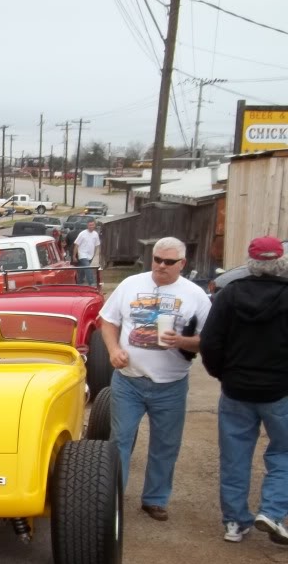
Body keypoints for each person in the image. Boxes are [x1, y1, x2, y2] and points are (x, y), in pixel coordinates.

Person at [99, 236, 212, 522]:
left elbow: (209, 340)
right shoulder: (130, 285)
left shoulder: (195, 295)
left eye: (168, 262)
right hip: (128, 380)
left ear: (182, 264)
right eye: (157, 260)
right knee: (120, 441)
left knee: (165, 444)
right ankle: (113, 500)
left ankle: (155, 499)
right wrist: (113, 350)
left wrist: (182, 341)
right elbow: (108, 320)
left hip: (171, 384)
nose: (161, 266)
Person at [200, 236, 288, 545]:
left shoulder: (229, 295)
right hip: (280, 391)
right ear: (281, 262)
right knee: (284, 451)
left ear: (250, 262)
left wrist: (222, 373)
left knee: (235, 456)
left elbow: (210, 342)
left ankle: (235, 523)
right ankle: (272, 511)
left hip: (236, 389)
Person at [73, 219, 100, 284]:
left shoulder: (95, 234)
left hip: (90, 255)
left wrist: (95, 255)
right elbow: (76, 245)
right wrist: (74, 256)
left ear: (94, 225)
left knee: (83, 269)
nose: (91, 226)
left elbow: (97, 245)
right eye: (90, 225)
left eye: (92, 225)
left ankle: (79, 282)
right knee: (88, 268)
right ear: (87, 226)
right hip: (82, 255)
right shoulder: (82, 234)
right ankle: (92, 283)